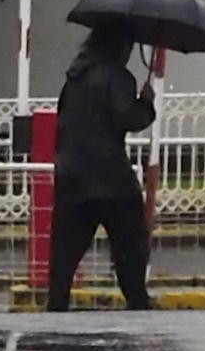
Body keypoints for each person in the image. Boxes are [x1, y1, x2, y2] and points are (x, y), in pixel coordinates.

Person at [48, 26, 156, 310]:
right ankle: (138, 302)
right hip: (112, 179)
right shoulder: (118, 77)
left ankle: (55, 308)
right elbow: (127, 118)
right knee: (129, 244)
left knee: (65, 254)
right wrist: (145, 104)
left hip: (72, 177)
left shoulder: (73, 79)